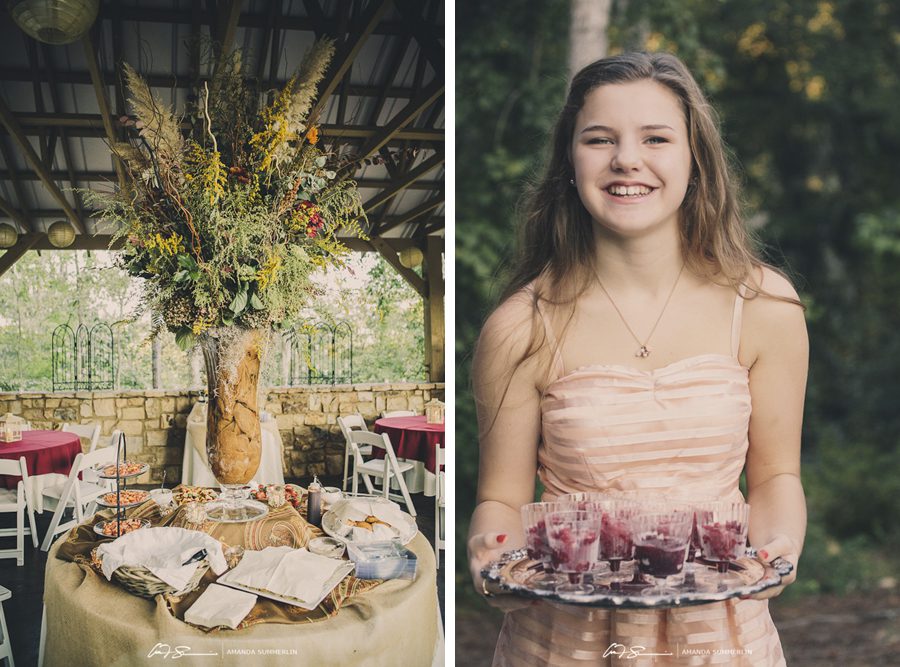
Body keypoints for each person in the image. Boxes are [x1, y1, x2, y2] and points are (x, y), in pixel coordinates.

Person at [467, 51, 807, 666]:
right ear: (570, 162)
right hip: (566, 645)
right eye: (599, 139)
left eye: (656, 137)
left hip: (723, 643)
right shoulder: (519, 327)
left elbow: (777, 476)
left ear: (693, 160)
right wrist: (490, 554)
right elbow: (501, 499)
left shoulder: (764, 305)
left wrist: (780, 546)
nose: (627, 159)